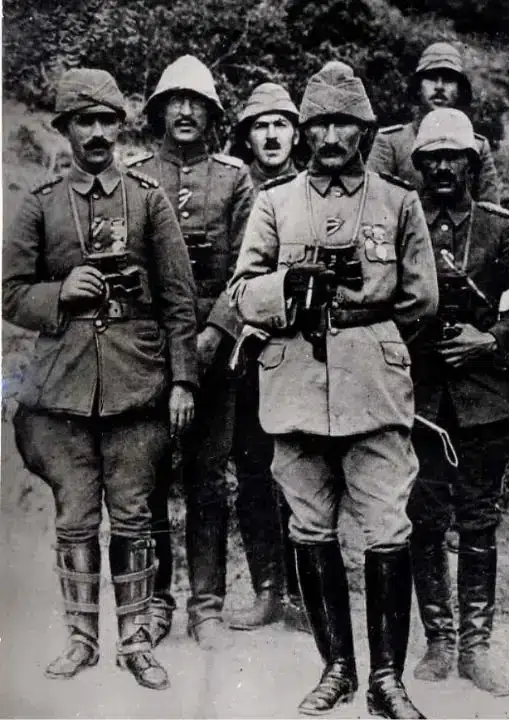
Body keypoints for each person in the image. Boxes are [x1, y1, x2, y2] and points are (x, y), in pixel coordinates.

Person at [228, 60, 437, 719]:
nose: (330, 135)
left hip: (373, 388)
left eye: (344, 122)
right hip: (293, 384)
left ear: (366, 129)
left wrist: (367, 338)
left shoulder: (397, 202)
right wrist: (288, 287)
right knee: (310, 527)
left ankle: (387, 680)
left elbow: (421, 300)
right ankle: (337, 668)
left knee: (387, 526)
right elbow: (242, 292)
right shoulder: (275, 202)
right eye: (317, 123)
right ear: (303, 131)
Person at [3, 67, 199, 691]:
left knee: (135, 514)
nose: (95, 133)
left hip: (137, 384)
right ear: (65, 129)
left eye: (106, 121)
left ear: (121, 126)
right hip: (62, 389)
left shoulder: (148, 199)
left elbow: (179, 300)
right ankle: (82, 639)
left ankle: (136, 639)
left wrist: (183, 381)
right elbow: (9, 293)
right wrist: (59, 292)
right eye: (83, 121)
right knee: (75, 517)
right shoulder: (41, 204)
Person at [404, 108, 509, 697]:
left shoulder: (498, 229)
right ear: (419, 165)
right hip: (420, 399)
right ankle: (438, 640)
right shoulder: (404, 222)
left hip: (484, 400)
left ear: (472, 163)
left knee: (479, 520)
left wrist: (490, 340)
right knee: (424, 519)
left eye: (453, 157)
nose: (442, 168)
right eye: (432, 158)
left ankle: (476, 648)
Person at [127, 54, 255, 650]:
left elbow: (251, 267)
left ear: (212, 114)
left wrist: (216, 332)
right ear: (158, 112)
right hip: (148, 348)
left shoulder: (234, 179)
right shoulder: (135, 176)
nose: (185, 111)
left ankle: (207, 607)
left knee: (207, 478)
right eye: (174, 102)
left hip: (215, 351)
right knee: (150, 476)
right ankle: (156, 601)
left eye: (196, 103)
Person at [222, 81, 311, 633]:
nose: (272, 135)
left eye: (282, 124)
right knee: (253, 468)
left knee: (301, 470)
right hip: (242, 353)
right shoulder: (232, 190)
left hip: (299, 350)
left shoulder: (312, 190)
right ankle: (268, 589)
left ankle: (304, 593)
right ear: (246, 137)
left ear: (297, 134)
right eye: (261, 125)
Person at [368, 42, 499, 202]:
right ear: (418, 87)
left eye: (448, 80)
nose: (439, 87)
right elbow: (373, 204)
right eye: (431, 78)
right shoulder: (391, 142)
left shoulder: (477, 146)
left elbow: (489, 210)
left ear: (460, 90)